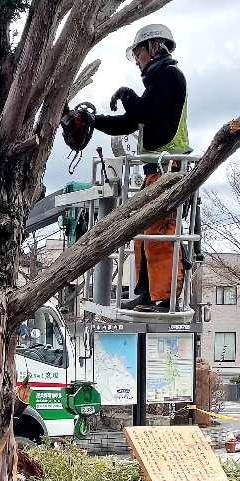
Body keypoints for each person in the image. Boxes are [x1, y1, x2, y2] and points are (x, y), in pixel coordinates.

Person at [92, 23, 190, 313]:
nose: (137, 61)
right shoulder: (156, 86)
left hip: (169, 170)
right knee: (145, 236)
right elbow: (129, 122)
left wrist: (125, 94)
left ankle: (165, 296)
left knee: (161, 235)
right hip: (155, 172)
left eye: (139, 54)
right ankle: (148, 293)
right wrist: (93, 120)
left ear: (155, 47)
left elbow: (142, 111)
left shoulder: (170, 78)